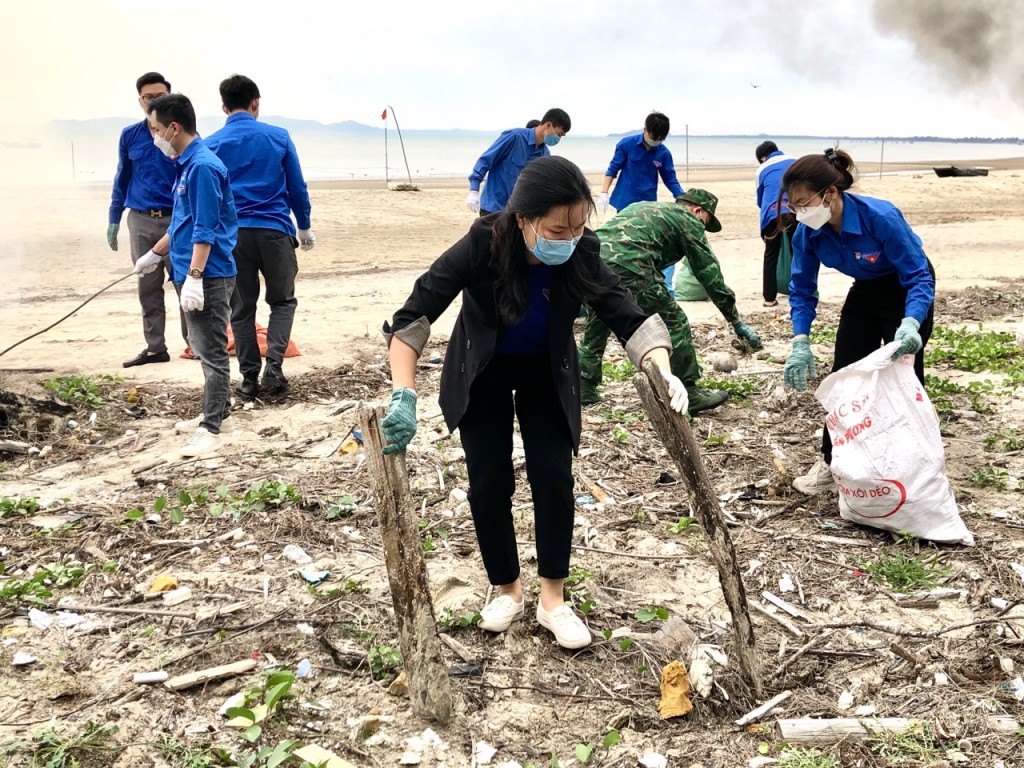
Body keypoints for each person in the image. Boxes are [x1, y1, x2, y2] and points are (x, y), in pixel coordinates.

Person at [381, 156, 687, 649]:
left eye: (577, 227)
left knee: (552, 477)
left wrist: (662, 368)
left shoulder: (581, 250)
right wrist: (404, 393)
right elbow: (414, 314)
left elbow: (625, 312)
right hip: (482, 371)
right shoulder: (484, 242)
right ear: (521, 218)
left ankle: (552, 599)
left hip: (547, 370)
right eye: (555, 229)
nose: (566, 239)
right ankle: (507, 589)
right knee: (488, 482)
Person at [781, 148, 935, 494]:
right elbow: (802, 289)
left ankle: (913, 462)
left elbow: (918, 276)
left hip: (906, 287)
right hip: (866, 289)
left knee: (904, 373)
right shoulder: (808, 233)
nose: (800, 212)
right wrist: (800, 340)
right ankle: (831, 461)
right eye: (794, 206)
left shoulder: (880, 217)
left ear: (830, 194)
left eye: (804, 203)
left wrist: (911, 322)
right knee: (846, 373)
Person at [578, 192, 762, 414]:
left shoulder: (648, 207)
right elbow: (709, 275)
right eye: (705, 222)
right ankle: (688, 390)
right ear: (697, 211)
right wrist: (735, 321)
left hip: (592, 261)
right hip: (632, 265)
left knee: (599, 321)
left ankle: (584, 385)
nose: (703, 229)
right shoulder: (688, 221)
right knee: (673, 321)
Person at [138, 94, 239, 457]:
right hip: (186, 268)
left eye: (156, 129)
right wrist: (154, 254)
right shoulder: (186, 164)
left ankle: (212, 429)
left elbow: (205, 228)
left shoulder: (202, 167)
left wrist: (195, 276)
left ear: (174, 128)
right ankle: (220, 414)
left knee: (211, 353)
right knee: (200, 346)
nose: (154, 136)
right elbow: (182, 222)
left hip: (208, 275)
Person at [206, 74, 315, 399]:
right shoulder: (278, 137)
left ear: (224, 107)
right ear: (256, 103)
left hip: (232, 236)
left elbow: (208, 195)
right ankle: (275, 367)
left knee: (241, 308)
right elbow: (297, 186)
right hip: (274, 231)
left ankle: (249, 377)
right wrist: (305, 225)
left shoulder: (211, 144)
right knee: (282, 301)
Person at [108, 72, 192, 366]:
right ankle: (156, 348)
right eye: (148, 97)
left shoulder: (181, 134)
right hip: (141, 219)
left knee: (185, 284)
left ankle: (193, 345)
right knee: (148, 287)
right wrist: (114, 218)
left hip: (177, 220)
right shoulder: (129, 135)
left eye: (160, 96)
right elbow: (122, 178)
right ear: (140, 101)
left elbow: (194, 173)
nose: (154, 101)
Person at [599, 112, 684, 296]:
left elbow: (671, 180)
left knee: (644, 242)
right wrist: (604, 192)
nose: (657, 141)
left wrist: (683, 198)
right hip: (625, 202)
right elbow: (613, 168)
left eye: (661, 138)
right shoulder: (626, 145)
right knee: (622, 241)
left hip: (647, 206)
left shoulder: (663, 153)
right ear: (645, 130)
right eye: (655, 137)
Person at [466, 108, 571, 216]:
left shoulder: (544, 155)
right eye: (559, 134)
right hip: (493, 207)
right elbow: (486, 160)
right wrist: (474, 189)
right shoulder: (514, 137)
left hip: (517, 213)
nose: (558, 139)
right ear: (548, 125)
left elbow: (542, 183)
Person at [755, 141, 797, 307]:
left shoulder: (761, 169)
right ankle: (799, 291)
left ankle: (769, 298)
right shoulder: (796, 161)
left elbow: (760, 200)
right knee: (798, 252)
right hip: (797, 210)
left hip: (773, 213)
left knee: (771, 254)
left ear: (762, 157)